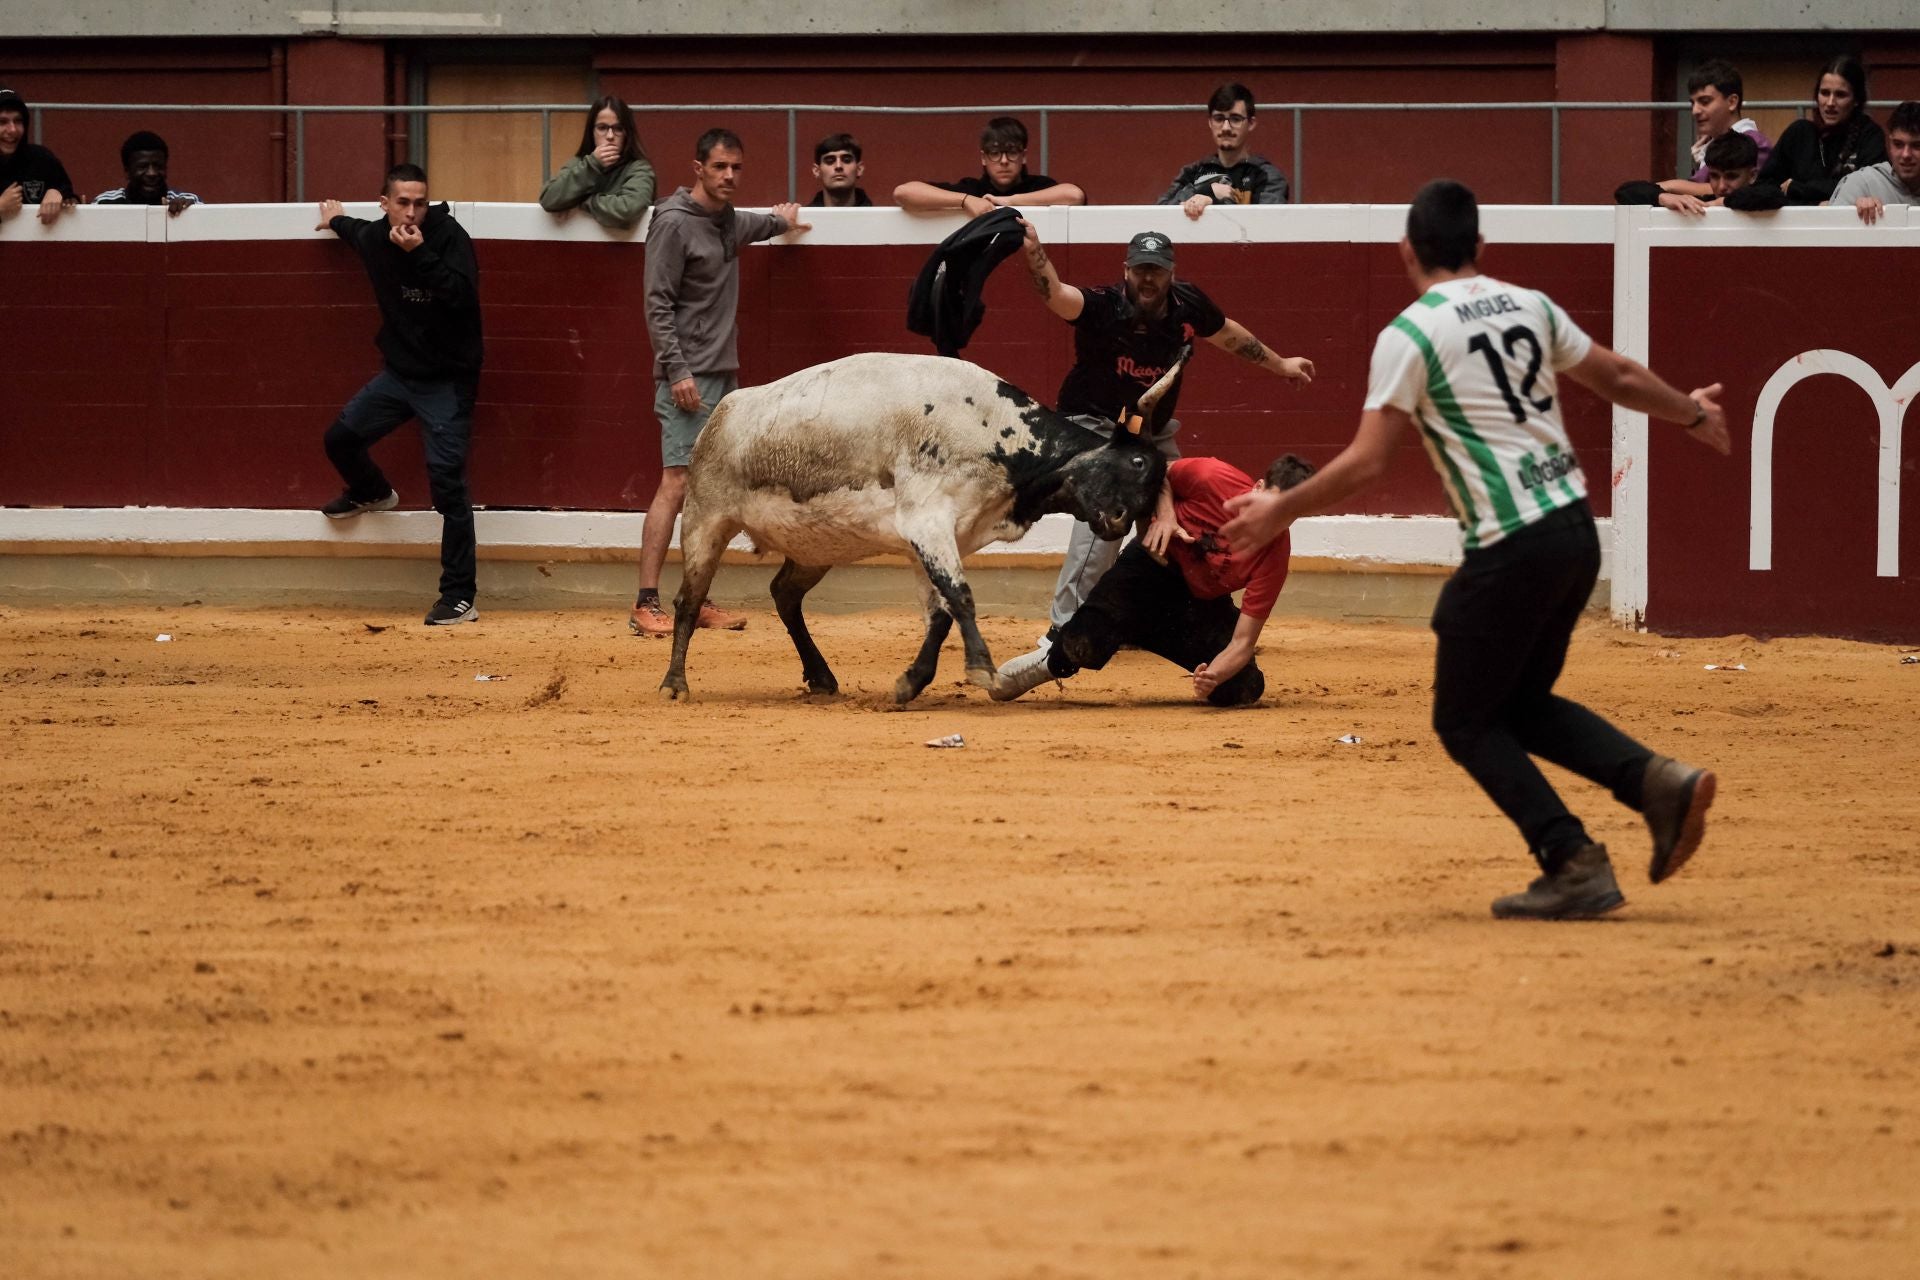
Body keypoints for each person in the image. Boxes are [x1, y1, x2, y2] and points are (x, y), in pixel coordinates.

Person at [1218, 179, 1729, 921]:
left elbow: (1367, 462)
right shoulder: (1530, 303)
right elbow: (1614, 375)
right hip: (1573, 533)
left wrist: (1280, 510)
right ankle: (1655, 783)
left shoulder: (1412, 334)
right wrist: (1690, 412)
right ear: (1479, 246)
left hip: (1509, 545)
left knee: (1465, 720)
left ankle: (1572, 858)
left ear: (1406, 251)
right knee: (1515, 705)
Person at [1017, 220, 1314, 639]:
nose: (1148, 278)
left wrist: (1280, 363)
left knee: (1185, 516)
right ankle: (1065, 628)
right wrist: (1034, 252)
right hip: (1094, 425)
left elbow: (1227, 333)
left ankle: (1159, 617)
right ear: (1127, 271)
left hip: (1150, 431)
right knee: (1110, 511)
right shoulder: (1105, 306)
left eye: (1156, 270)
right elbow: (1059, 296)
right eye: (1141, 269)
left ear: (1171, 273)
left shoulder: (1188, 306)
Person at [630, 128, 811, 637]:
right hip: (687, 377)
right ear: (698, 168)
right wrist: (677, 370)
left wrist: (783, 219)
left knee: (710, 491)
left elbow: (760, 224)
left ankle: (696, 596)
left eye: (736, 168)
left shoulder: (727, 220)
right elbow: (657, 303)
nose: (729, 176)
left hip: (722, 378)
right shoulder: (672, 223)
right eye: (719, 168)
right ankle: (646, 603)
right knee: (678, 482)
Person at [995, 452, 1316, 706]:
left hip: (1197, 605)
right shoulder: (1213, 477)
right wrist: (1166, 516)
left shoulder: (1274, 555)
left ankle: (1135, 630)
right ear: (1257, 487)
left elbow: (1243, 642)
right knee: (1082, 645)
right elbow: (1153, 471)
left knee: (1243, 687)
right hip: (1150, 571)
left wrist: (1213, 675)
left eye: (1285, 515)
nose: (1271, 521)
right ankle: (1046, 664)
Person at [314, 164, 485, 627]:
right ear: (384, 204)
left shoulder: (447, 236)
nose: (412, 213)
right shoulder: (373, 236)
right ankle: (372, 491)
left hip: (448, 380)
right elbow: (352, 230)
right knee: (340, 440)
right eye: (403, 203)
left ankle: (459, 596)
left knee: (448, 485)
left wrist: (422, 253)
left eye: (420, 203)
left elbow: (463, 297)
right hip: (400, 375)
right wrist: (333, 218)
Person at [1753, 54, 1886, 206]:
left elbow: (1866, 189)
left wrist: (1798, 189)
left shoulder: (1870, 136)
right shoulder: (1799, 133)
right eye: (1824, 93)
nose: (1830, 102)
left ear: (1856, 100)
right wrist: (1816, 204)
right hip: (1798, 225)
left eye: (1840, 95)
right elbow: (1764, 188)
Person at [892, 116, 1084, 214]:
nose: (1003, 160)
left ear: (1023, 156)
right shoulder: (972, 189)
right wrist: (966, 200)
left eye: (1012, 151)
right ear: (983, 158)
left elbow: (1074, 195)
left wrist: (1011, 200)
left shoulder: (1038, 186)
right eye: (994, 153)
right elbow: (903, 193)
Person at [1157, 82, 1291, 218]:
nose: (1226, 127)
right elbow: (1158, 214)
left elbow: (1268, 222)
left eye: (1235, 119)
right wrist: (1207, 190)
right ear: (1210, 122)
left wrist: (1213, 200)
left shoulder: (1267, 176)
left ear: (1251, 124)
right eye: (1219, 118)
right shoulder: (1192, 173)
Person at [538, 95, 655, 229]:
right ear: (591, 132)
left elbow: (627, 210)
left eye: (618, 129)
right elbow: (548, 199)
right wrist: (592, 165)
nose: (610, 136)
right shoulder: (581, 163)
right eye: (602, 128)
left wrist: (582, 201)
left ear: (627, 133)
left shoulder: (639, 168)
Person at [1665, 60, 1774, 199]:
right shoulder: (1710, 144)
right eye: (1693, 103)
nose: (1695, 111)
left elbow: (1726, 190)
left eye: (1705, 102)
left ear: (1732, 102)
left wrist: (1665, 187)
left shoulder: (1755, 143)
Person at [1614, 131, 1782, 213]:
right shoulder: (1702, 201)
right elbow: (1625, 192)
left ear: (1752, 175)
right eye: (1714, 176)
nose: (1721, 186)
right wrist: (1663, 197)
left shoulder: (1764, 194)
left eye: (1731, 176)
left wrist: (1723, 202)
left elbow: (1772, 195)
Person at [1828, 99, 1920, 223]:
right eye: (1898, 144)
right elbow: (1831, 235)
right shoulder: (1862, 184)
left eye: (1917, 146)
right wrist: (1853, 214)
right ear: (1889, 143)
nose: (1906, 154)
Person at [0, 88, 75, 226]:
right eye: (2, 122)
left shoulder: (41, 159)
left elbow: (71, 197)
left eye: (18, 121)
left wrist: (58, 193)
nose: (12, 130)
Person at [93, 130, 200, 215]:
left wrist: (190, 214)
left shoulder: (189, 202)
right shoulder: (104, 204)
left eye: (158, 166)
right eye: (142, 166)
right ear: (127, 171)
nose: (152, 173)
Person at [807, 133, 872, 207]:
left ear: (859, 169)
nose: (838, 166)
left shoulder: (881, 218)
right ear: (817, 171)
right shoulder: (801, 218)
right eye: (829, 161)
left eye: (846, 160)